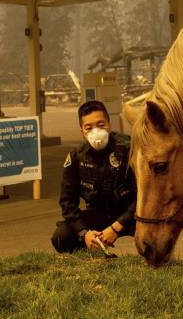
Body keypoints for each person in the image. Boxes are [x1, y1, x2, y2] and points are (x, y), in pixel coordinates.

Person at [51, 100, 137, 253]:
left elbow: (144, 195)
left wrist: (116, 228)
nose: (95, 131)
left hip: (130, 214)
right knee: (61, 237)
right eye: (89, 127)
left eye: (101, 125)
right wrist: (84, 233)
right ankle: (94, 250)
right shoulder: (76, 157)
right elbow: (68, 203)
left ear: (109, 124)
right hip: (99, 213)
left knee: (153, 235)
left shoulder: (128, 149)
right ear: (82, 132)